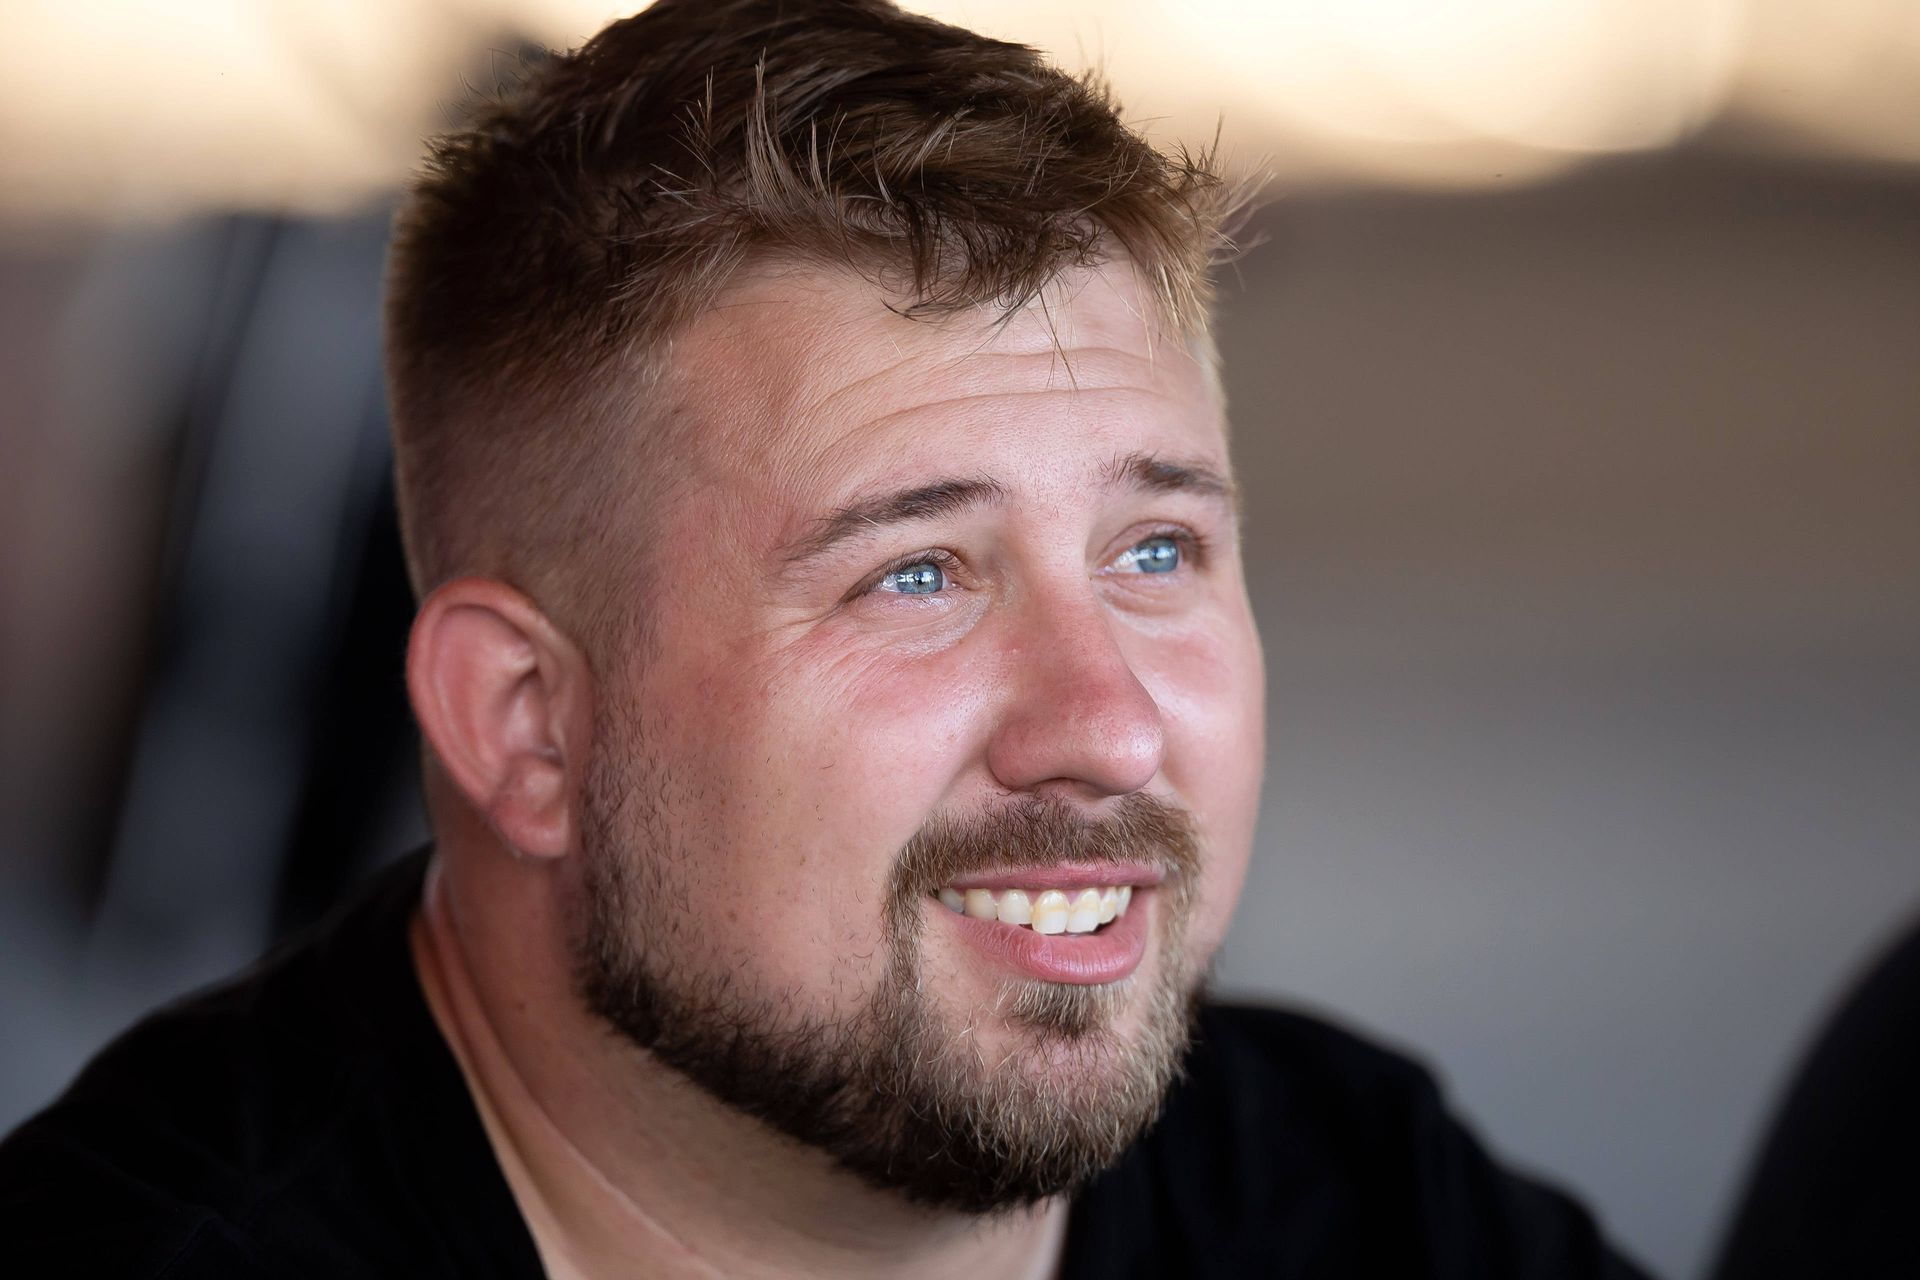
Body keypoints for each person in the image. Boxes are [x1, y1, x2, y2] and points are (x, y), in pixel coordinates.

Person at [0, 2, 1653, 1275]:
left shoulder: (1360, 1202)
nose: (1109, 724)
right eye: (918, 575)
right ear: (524, 723)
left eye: (1155, 551)